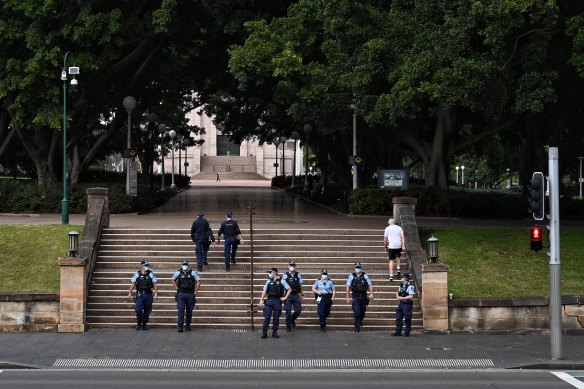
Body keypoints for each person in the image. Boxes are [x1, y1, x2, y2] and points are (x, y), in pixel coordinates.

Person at [258, 268, 291, 339]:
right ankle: (264, 332)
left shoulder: (282, 280)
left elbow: (289, 289)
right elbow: (264, 291)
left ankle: (274, 332)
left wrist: (285, 297)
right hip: (269, 300)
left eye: (270, 272)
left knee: (276, 318)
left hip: (277, 301)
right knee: (267, 317)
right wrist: (261, 299)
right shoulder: (268, 281)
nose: (269, 274)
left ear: (274, 273)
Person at [171, 260, 201, 332]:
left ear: (188, 265)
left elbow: (199, 281)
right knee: (180, 310)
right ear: (181, 265)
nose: (185, 266)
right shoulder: (178, 272)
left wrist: (196, 291)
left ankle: (188, 325)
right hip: (181, 293)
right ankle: (180, 326)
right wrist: (176, 288)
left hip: (190, 294)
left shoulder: (192, 272)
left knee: (189, 311)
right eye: (183, 264)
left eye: (186, 264)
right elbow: (172, 279)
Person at [128, 260, 158, 330]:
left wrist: (156, 293)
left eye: (147, 266)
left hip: (148, 294)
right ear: (141, 266)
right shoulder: (137, 273)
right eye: (145, 265)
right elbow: (133, 283)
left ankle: (144, 324)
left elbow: (155, 283)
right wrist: (130, 292)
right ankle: (139, 323)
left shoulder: (150, 273)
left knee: (148, 310)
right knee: (138, 309)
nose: (147, 267)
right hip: (140, 294)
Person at [345, 262, 374, 333]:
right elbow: (348, 287)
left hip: (363, 296)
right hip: (355, 296)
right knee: (357, 312)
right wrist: (347, 297)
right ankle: (357, 326)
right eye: (357, 267)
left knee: (363, 311)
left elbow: (370, 284)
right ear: (354, 268)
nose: (358, 269)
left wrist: (372, 293)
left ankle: (360, 321)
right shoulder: (351, 276)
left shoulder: (365, 275)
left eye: (359, 267)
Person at [393, 272, 416, 337]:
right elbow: (397, 292)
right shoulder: (401, 285)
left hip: (407, 304)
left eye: (402, 277)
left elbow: (411, 296)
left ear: (406, 278)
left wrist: (402, 298)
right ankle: (398, 331)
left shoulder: (410, 286)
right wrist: (397, 296)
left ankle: (407, 332)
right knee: (398, 317)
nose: (401, 278)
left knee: (407, 318)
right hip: (401, 304)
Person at [282, 261, 303, 332]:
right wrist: (283, 295)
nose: (292, 267)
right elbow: (282, 285)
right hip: (288, 295)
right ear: (288, 266)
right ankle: (288, 325)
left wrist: (301, 294)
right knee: (288, 311)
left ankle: (292, 320)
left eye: (293, 265)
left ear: (295, 266)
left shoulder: (298, 274)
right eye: (291, 265)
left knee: (298, 310)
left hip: (296, 295)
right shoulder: (285, 275)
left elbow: (300, 286)